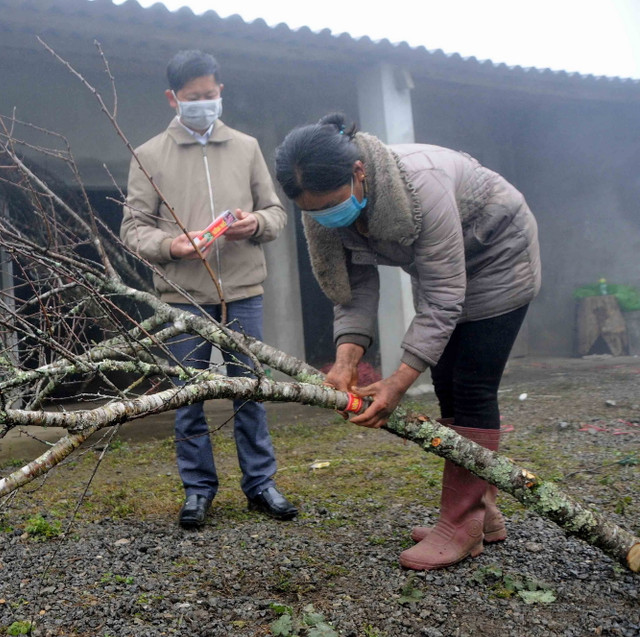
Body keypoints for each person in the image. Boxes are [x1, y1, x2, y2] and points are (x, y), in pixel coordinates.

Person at [274, 113, 541, 570]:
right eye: (314, 211)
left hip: (498, 257)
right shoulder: (323, 211)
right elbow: (351, 287)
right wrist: (345, 362)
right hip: (445, 273)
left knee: (471, 385)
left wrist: (399, 380)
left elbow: (442, 298)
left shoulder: (421, 185)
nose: (326, 217)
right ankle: (483, 515)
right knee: (446, 384)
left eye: (333, 204)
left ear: (359, 173)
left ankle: (460, 525)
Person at [120, 50, 295, 529]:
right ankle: (198, 490)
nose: (203, 103)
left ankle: (260, 484)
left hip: (243, 289)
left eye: (210, 95)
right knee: (187, 397)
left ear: (221, 91)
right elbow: (132, 228)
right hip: (183, 296)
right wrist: (171, 245)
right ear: (172, 98)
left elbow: (277, 213)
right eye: (192, 97)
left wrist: (255, 222)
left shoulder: (247, 146)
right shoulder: (148, 154)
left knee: (251, 391)